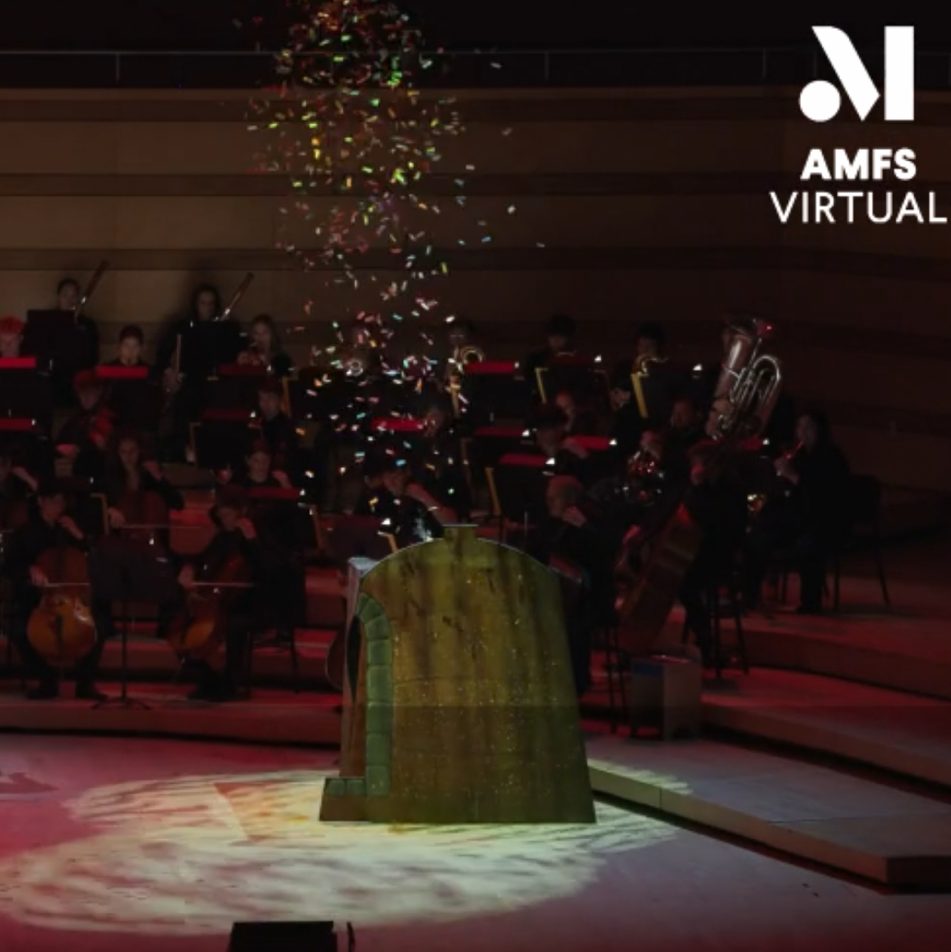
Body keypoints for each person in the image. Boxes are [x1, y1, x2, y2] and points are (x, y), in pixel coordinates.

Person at [5, 479, 108, 700]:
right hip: (37, 599)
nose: (58, 506)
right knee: (20, 631)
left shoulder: (70, 530)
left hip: (73, 599)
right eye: (53, 501)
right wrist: (29, 569)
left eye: (61, 502)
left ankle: (85, 683)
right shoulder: (25, 533)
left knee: (99, 626)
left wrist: (80, 536)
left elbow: (97, 560)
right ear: (41, 502)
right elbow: (9, 565)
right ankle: (47, 680)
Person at [745, 408, 851, 614]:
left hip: (825, 520)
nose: (803, 432)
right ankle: (750, 595)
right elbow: (788, 494)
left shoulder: (831, 457)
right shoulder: (798, 455)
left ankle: (810, 602)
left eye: (809, 427)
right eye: (800, 427)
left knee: (808, 545)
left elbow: (823, 496)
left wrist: (793, 476)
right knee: (758, 536)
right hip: (798, 517)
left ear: (820, 430)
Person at [175, 488, 259, 702]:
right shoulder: (222, 536)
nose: (224, 520)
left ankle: (229, 683)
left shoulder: (255, 535)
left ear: (241, 512)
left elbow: (265, 566)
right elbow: (203, 558)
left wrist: (252, 541)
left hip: (246, 600)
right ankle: (207, 678)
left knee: (233, 624)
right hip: (219, 598)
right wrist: (189, 568)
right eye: (221, 516)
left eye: (228, 515)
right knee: (180, 619)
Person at [355, 452, 454, 547]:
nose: (392, 484)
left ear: (406, 473)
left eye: (395, 477)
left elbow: (452, 523)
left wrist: (424, 497)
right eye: (387, 479)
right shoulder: (385, 501)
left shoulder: (429, 489)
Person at [103, 430, 184, 529]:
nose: (128, 455)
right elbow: (101, 504)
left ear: (140, 451)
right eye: (123, 452)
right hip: (120, 532)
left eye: (132, 450)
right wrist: (110, 510)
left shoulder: (148, 476)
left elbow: (178, 503)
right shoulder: (111, 477)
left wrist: (159, 478)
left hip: (151, 532)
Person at [55, 370, 112, 487]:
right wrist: (61, 448)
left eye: (89, 393)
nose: (84, 398)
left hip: (97, 479)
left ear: (99, 391)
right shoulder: (76, 419)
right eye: (81, 393)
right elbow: (59, 442)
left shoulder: (107, 418)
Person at [256, 378, 299, 478]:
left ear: (279, 400)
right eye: (262, 399)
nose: (265, 403)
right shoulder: (257, 424)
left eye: (270, 398)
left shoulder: (287, 427)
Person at [522, 314, 577, 388]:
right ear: (548, 336)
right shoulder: (535, 357)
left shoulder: (576, 359)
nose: (556, 339)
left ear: (568, 338)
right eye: (553, 335)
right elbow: (528, 381)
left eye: (561, 336)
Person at [55, 276, 100, 369]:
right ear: (58, 297)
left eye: (73, 296)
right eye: (65, 295)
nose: (69, 301)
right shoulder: (49, 321)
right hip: (55, 371)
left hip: (80, 372)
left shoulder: (89, 324)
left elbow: (93, 355)